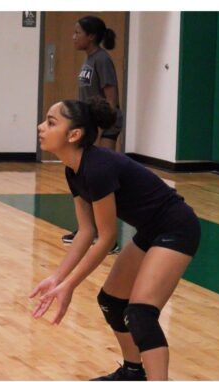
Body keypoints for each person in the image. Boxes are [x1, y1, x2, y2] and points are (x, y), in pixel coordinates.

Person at [32, 97, 201, 381]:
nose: (41, 127)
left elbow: (107, 238)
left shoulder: (98, 168)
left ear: (74, 135)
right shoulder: (73, 169)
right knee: (111, 300)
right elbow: (86, 231)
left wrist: (70, 285)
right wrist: (58, 278)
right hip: (151, 229)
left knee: (141, 312)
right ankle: (133, 372)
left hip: (176, 227)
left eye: (51, 122)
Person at [63, 16, 122, 251]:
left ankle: (110, 239)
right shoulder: (89, 60)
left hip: (105, 125)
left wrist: (100, 132)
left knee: (102, 180)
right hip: (90, 126)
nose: (74, 36)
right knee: (85, 178)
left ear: (92, 36)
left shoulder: (102, 60)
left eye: (78, 32)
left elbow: (111, 100)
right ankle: (89, 230)